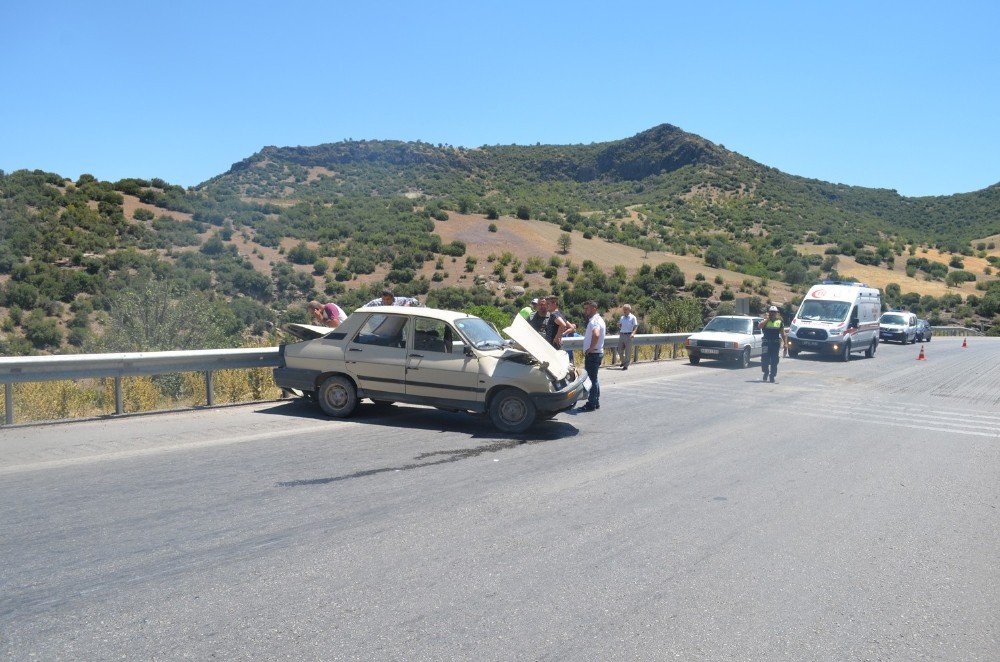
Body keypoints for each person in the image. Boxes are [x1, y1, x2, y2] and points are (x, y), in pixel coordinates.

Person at [579, 300, 606, 411]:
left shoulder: (594, 320)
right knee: (594, 379)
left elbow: (596, 334)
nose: (585, 311)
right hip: (597, 353)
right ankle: (596, 402)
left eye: (587, 309)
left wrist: (590, 348)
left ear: (594, 308)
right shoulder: (598, 319)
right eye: (585, 308)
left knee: (591, 379)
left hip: (593, 354)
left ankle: (591, 403)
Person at [758, 305, 789, 383]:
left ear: (776, 313)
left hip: (775, 345)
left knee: (774, 361)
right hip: (766, 344)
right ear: (769, 312)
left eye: (774, 312)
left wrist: (785, 344)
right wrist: (767, 319)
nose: (772, 313)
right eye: (771, 312)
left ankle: (772, 376)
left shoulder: (779, 322)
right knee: (764, 360)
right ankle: (766, 372)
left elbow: (783, 334)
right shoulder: (765, 321)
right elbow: (759, 326)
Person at [617, 304, 638, 370]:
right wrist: (619, 325)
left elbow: (635, 326)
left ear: (629, 310)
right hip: (622, 334)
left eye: (626, 309)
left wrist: (633, 333)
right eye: (624, 309)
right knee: (619, 350)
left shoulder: (633, 317)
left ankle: (626, 365)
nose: (624, 311)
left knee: (627, 352)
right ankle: (623, 361)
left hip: (629, 335)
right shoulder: (622, 317)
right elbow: (620, 326)